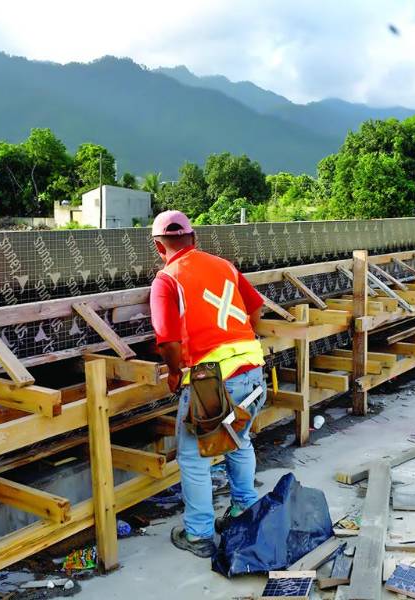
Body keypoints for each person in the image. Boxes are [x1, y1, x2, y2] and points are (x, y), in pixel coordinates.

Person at [149, 210, 266, 558]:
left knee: (194, 457)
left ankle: (199, 535)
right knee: (238, 439)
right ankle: (244, 513)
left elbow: (167, 340)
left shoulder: (166, 279)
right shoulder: (224, 266)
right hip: (251, 368)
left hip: (211, 381)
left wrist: (173, 373)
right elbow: (255, 308)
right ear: (194, 239)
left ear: (159, 247)